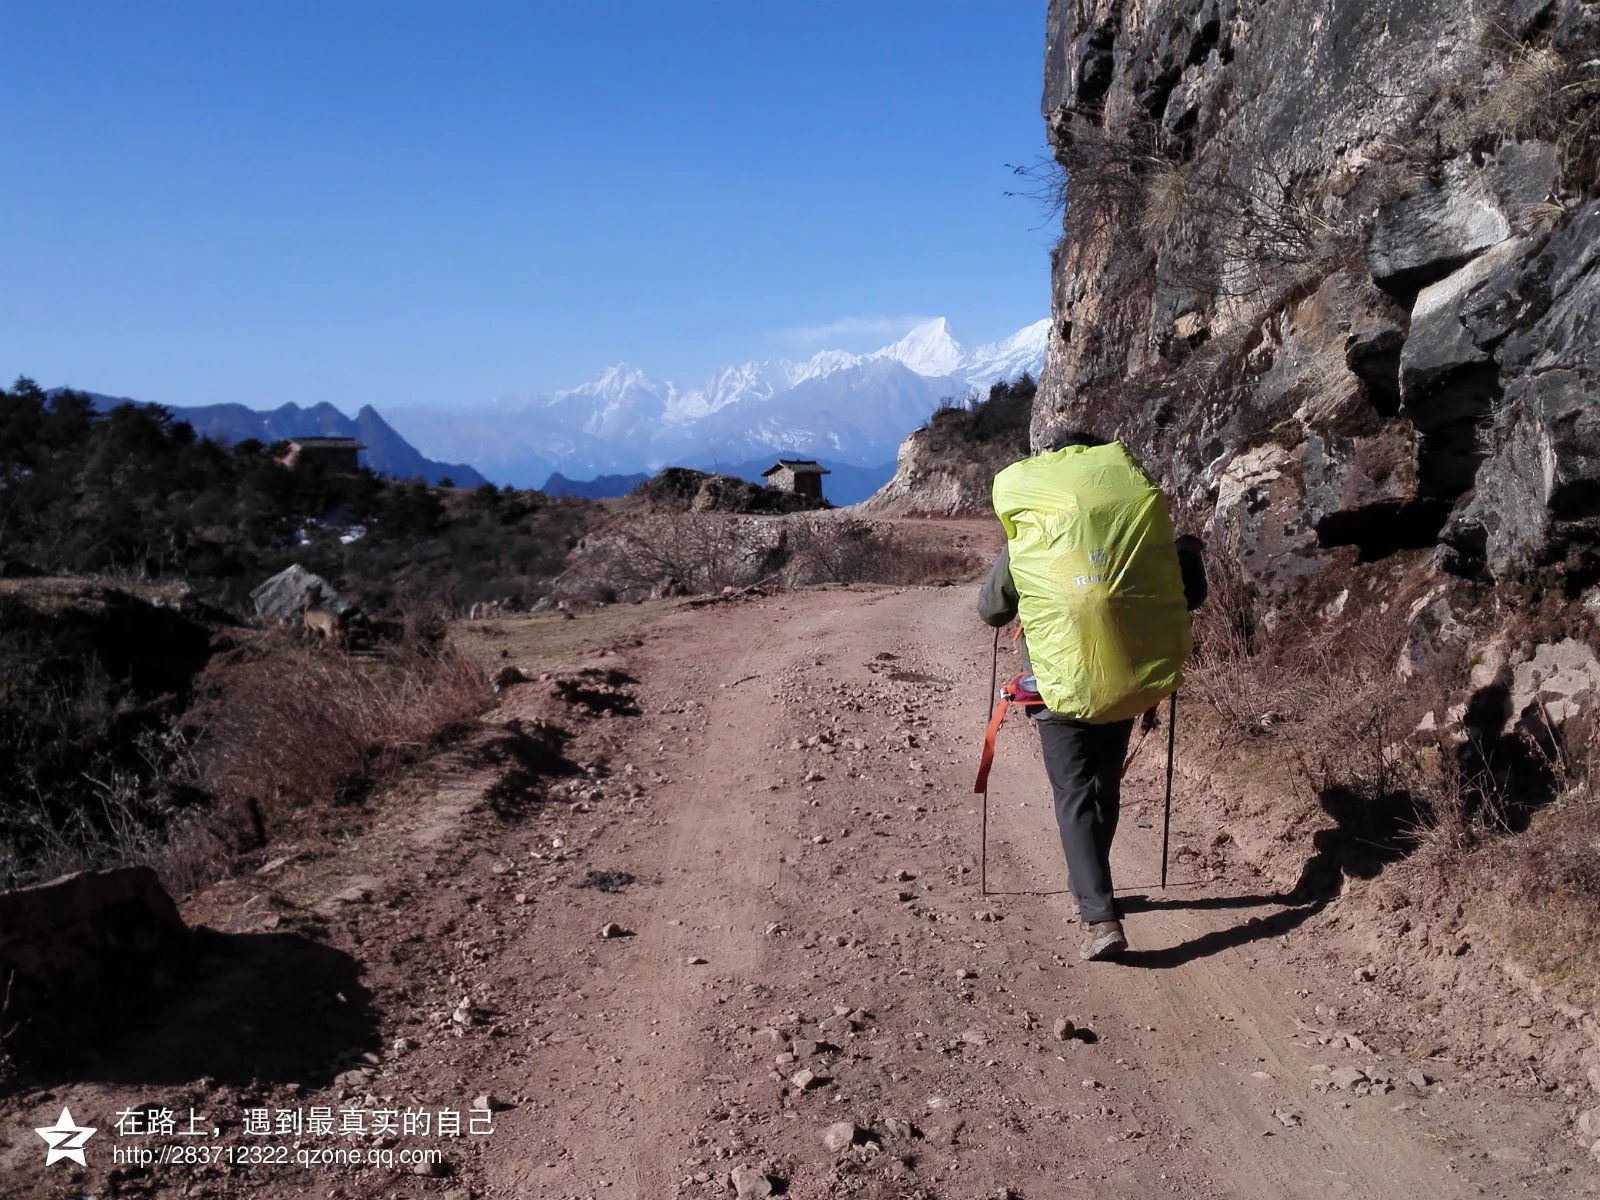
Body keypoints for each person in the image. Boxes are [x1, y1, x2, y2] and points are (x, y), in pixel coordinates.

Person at [977, 430, 1206, 961]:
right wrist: (1187, 551)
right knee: (1102, 784)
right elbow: (1190, 594)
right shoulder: (1136, 529)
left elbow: (992, 610)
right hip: (1125, 676)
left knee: (1076, 791)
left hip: (1057, 685)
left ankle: (1100, 916)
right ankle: (1093, 885)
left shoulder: (1033, 535)